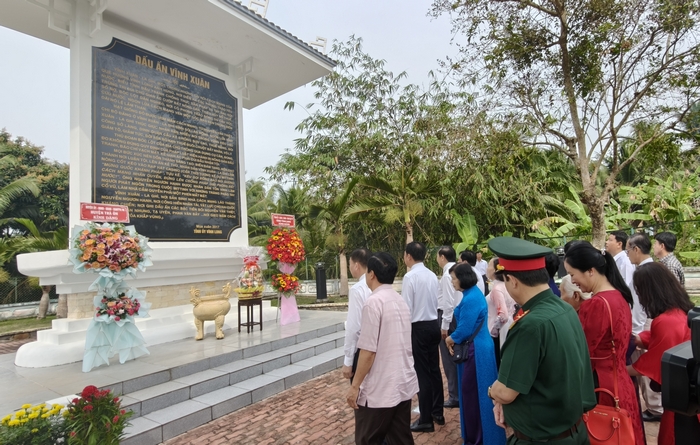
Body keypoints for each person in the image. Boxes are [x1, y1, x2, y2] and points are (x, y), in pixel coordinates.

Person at [488, 237, 596, 444]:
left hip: (542, 439)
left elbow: (506, 391)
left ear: (513, 280)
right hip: (573, 431)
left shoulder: (530, 325)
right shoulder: (564, 308)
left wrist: (493, 392)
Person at [564, 242, 645, 445]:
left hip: (601, 386)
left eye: (573, 274)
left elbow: (581, 353)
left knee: (604, 434)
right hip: (620, 381)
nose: (573, 281)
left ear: (590, 271)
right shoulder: (619, 296)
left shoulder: (596, 304)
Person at [346, 252, 419, 445]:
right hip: (401, 382)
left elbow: (368, 351)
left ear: (371, 274)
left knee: (367, 438)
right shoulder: (399, 300)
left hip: (380, 388)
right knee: (400, 438)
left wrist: (355, 387)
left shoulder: (373, 303)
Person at [627, 262, 699, 444]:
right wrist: (639, 339)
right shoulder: (680, 309)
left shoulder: (665, 320)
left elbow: (657, 360)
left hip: (681, 398)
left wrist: (621, 370)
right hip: (690, 393)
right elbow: (663, 339)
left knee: (672, 437)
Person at [445, 263, 505, 445]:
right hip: (478, 348)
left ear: (463, 278)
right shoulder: (472, 294)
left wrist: (450, 339)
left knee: (474, 395)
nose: (453, 282)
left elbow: (464, 329)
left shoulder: (470, 298)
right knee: (479, 394)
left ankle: (478, 439)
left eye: (454, 278)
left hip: (475, 351)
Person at [401, 242, 444, 432]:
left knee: (422, 373)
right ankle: (437, 412)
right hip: (433, 324)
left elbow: (406, 307)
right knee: (434, 370)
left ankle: (425, 419)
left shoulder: (410, 277)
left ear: (409, 256)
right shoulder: (432, 275)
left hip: (418, 327)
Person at [627, 232, 663, 422]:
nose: (627, 254)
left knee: (647, 369)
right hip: (646, 322)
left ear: (636, 249)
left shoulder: (643, 272)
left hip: (644, 323)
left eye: (628, 250)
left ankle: (655, 408)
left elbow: (640, 304)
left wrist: (637, 331)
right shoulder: (652, 268)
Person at [436, 245, 462, 409]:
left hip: (449, 317)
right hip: (458, 315)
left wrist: (444, 326)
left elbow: (448, 303)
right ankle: (458, 392)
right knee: (457, 354)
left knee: (448, 356)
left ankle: (455, 395)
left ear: (442, 257)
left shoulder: (447, 275)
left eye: (438, 256)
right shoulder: (460, 270)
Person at [342, 248, 372, 382]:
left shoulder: (357, 289)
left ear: (356, 265)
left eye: (350, 264)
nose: (350, 268)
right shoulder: (378, 284)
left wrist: (348, 360)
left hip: (362, 349)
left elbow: (354, 328)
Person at [485, 257, 515, 367]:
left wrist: (494, 330)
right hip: (510, 325)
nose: (486, 268)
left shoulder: (497, 289)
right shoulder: (508, 286)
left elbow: (503, 315)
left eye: (489, 265)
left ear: (496, 270)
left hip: (499, 330)